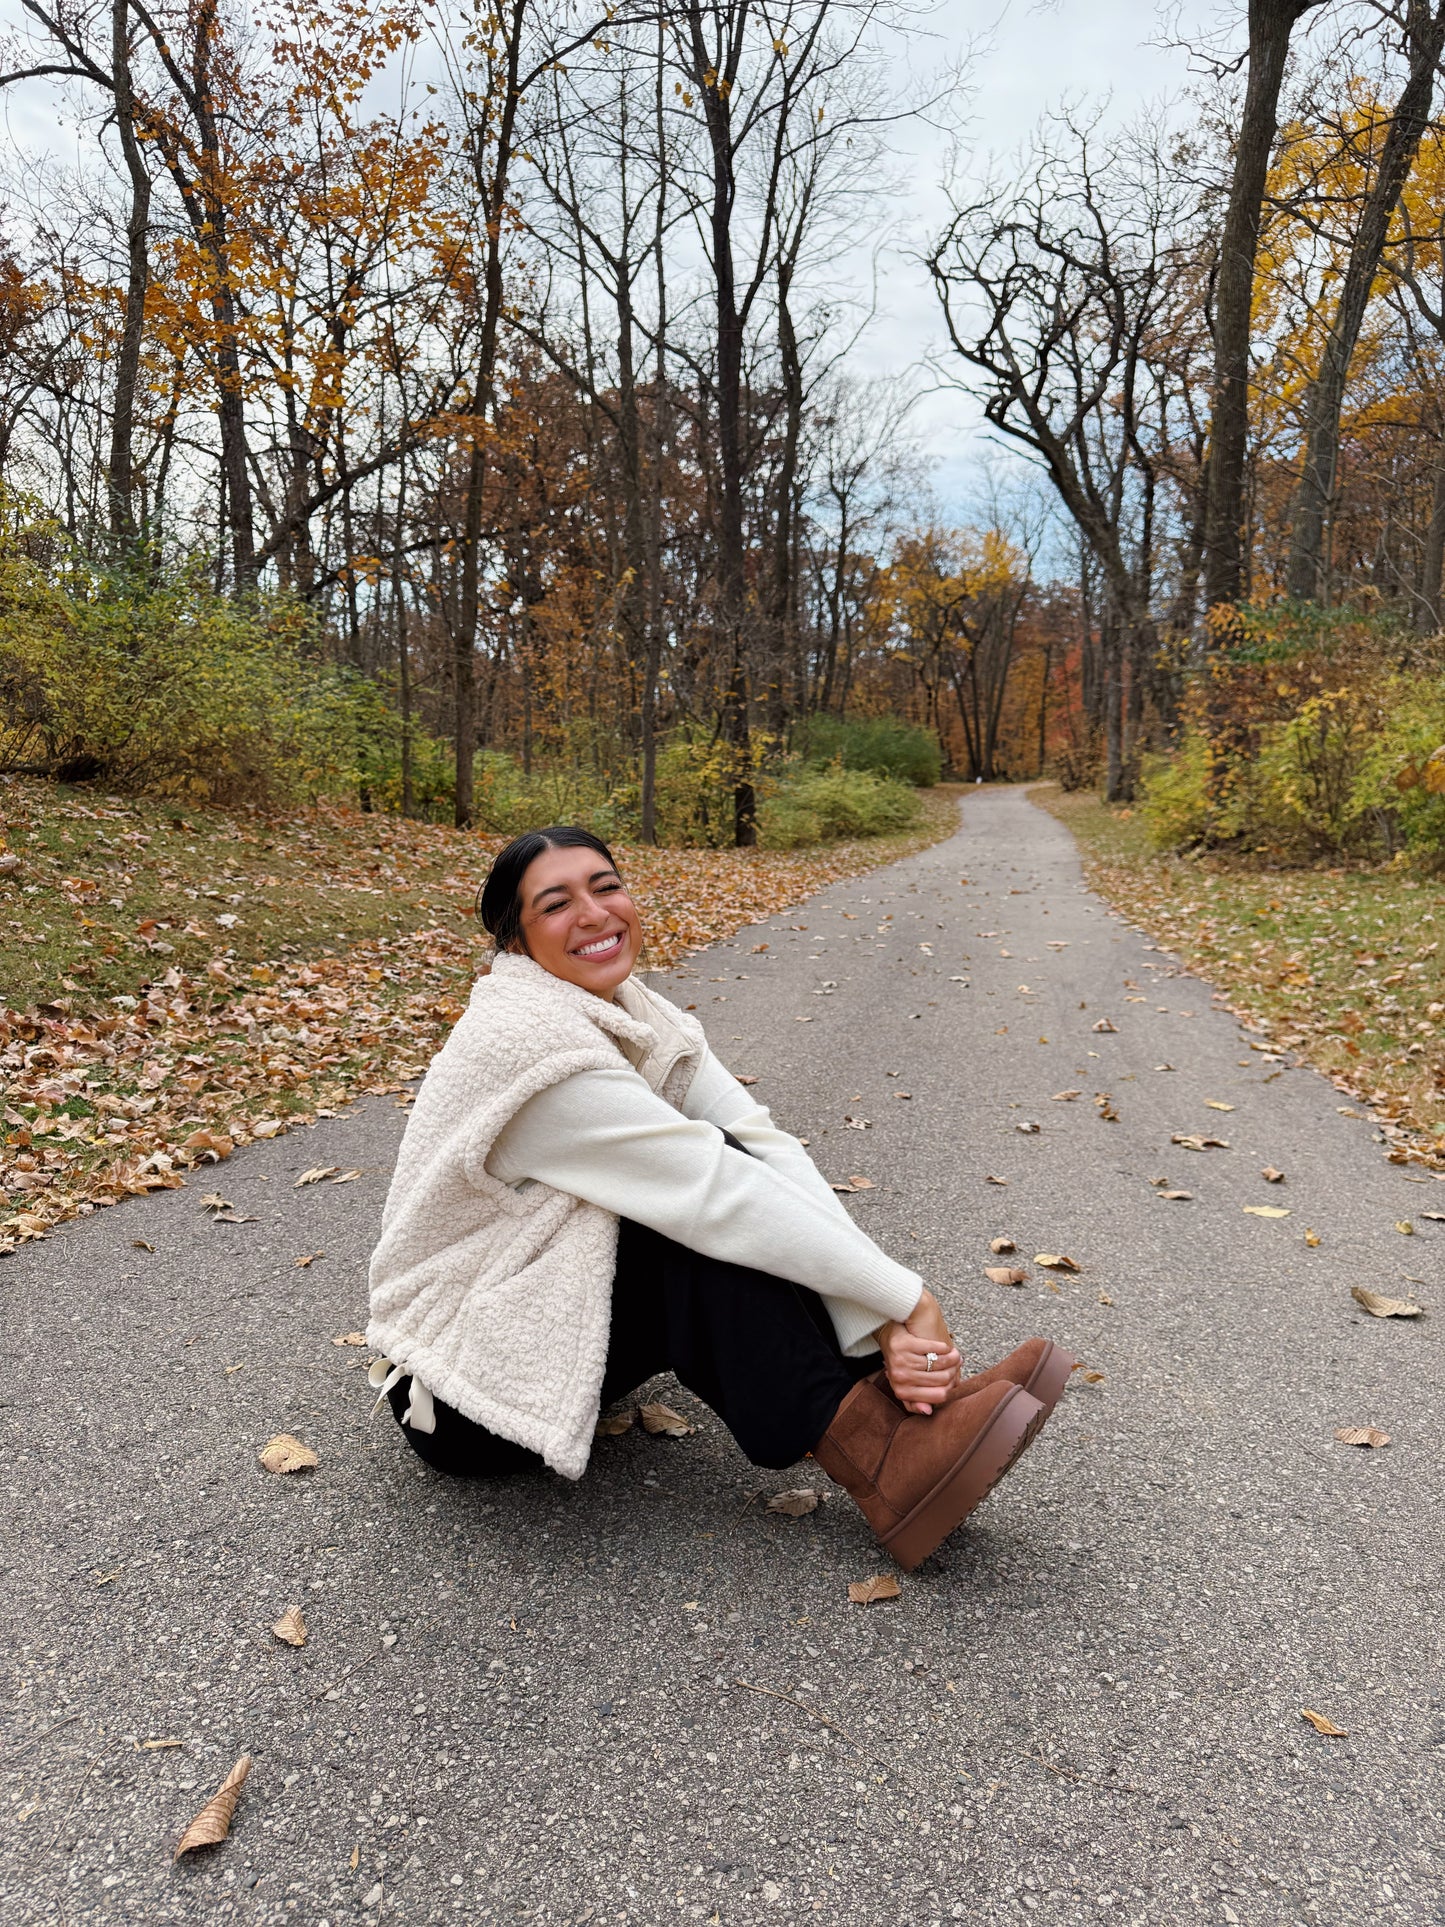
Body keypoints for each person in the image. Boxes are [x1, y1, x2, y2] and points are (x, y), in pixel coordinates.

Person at [366, 825, 1072, 1571]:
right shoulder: (527, 1048)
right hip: (461, 1395)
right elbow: (712, 1192)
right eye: (556, 903)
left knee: (737, 1173)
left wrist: (881, 1319)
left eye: (605, 886)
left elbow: (761, 1147)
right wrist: (910, 1297)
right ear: (514, 942)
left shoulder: (635, 1010)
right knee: (678, 1219)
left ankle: (895, 1405)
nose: (596, 913)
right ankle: (883, 1460)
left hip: (541, 1321)